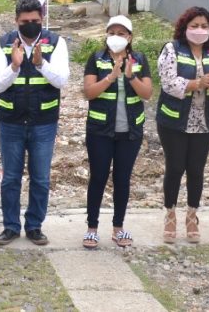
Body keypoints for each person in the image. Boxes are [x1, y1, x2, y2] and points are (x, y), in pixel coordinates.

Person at [0, 0, 70, 247]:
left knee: (41, 178)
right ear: (16, 21)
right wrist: (14, 66)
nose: (30, 25)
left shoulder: (55, 43)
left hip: (43, 122)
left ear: (42, 20)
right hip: (11, 122)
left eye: (35, 21)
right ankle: (11, 227)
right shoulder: (2, 44)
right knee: (11, 178)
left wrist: (41, 64)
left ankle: (34, 226)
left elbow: (61, 81)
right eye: (25, 21)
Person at [156, 7, 209, 244]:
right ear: (184, 27)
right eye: (194, 26)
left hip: (204, 120)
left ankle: (192, 216)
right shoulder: (172, 49)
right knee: (176, 167)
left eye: (204, 26)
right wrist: (197, 82)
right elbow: (168, 82)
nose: (199, 30)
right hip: (174, 121)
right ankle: (170, 215)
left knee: (196, 169)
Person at [81, 15, 153, 249]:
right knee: (98, 178)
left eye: (122, 33)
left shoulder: (139, 59)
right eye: (112, 32)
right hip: (100, 131)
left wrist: (129, 75)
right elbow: (89, 92)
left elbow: (147, 93)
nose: (116, 37)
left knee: (122, 179)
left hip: (130, 132)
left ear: (130, 37)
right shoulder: (96, 58)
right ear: (106, 35)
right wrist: (111, 76)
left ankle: (118, 228)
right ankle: (92, 228)